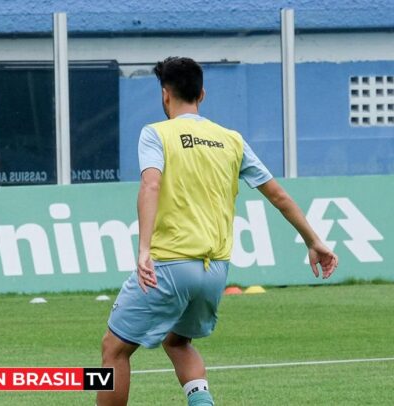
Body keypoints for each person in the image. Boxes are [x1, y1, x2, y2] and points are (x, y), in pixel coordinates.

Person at [97, 57, 338, 406]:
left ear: (165, 95)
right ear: (202, 94)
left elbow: (150, 186)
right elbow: (279, 195)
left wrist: (144, 249)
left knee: (114, 349)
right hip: (215, 271)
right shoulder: (231, 140)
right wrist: (314, 241)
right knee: (177, 341)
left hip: (169, 264)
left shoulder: (156, 134)